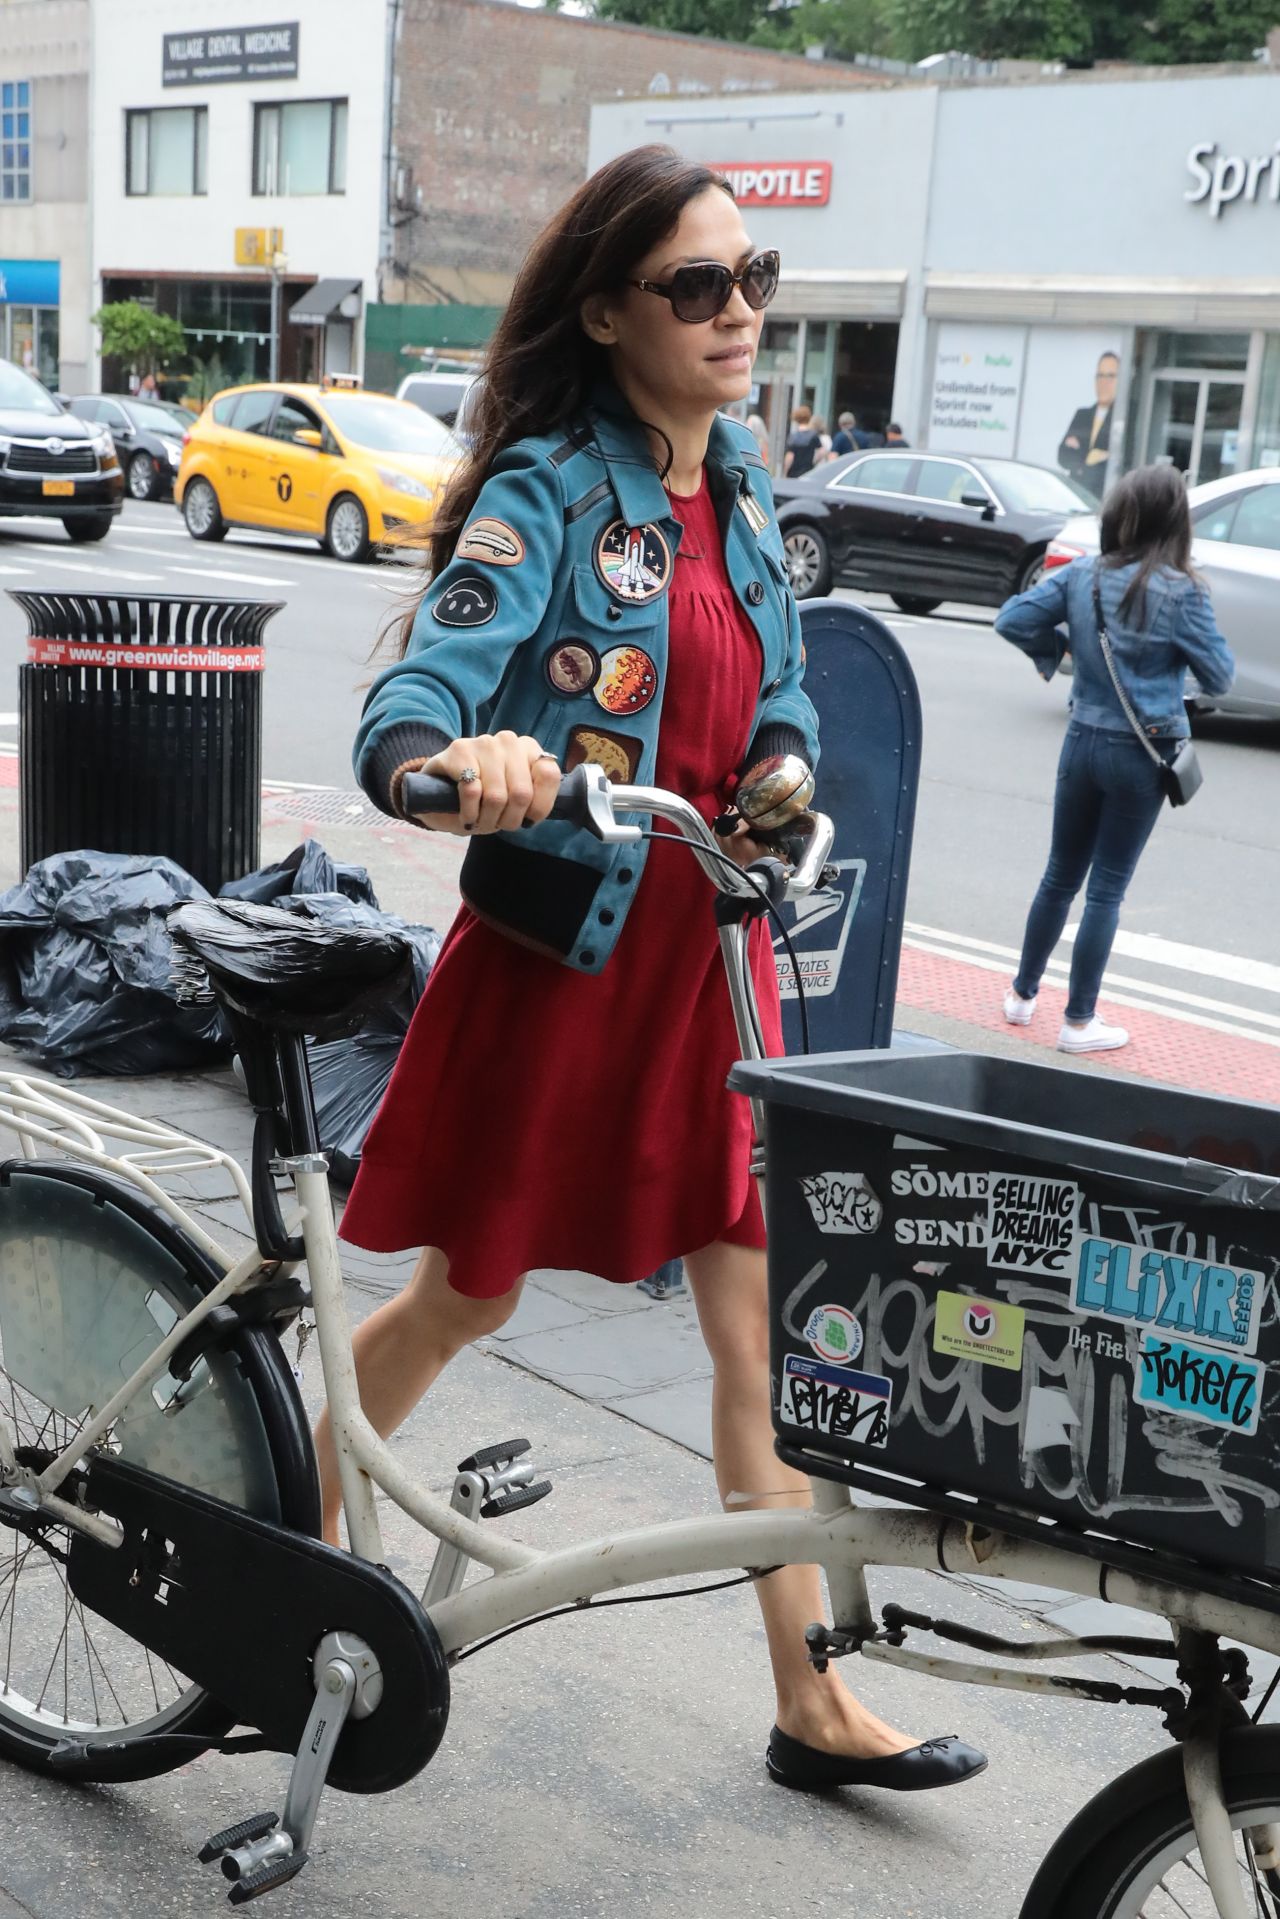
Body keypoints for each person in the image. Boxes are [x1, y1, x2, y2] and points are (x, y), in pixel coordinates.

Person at [322, 144, 984, 1799]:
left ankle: (814, 1695)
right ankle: (291, 1539)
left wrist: (783, 767)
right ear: (611, 309)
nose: (740, 312)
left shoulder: (745, 484)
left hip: (707, 971)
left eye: (757, 281)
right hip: (561, 971)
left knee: (763, 1333)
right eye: (701, 286)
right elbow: (408, 714)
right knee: (466, 1295)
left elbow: (787, 690)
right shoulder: (544, 491)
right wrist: (456, 766)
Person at [997, 464, 1233, 1053]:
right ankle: (1079, 1023)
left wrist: (1057, 652)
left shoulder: (1083, 576)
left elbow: (1012, 619)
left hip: (1082, 740)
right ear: (1175, 523)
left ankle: (1022, 997)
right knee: (1106, 889)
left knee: (1058, 876)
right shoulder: (1183, 591)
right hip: (1142, 752)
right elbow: (1220, 677)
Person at [1058, 351, 1120, 500]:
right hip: (1075, 493)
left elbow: (1119, 461)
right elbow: (1062, 455)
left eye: (1110, 376)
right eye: (1100, 376)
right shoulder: (1082, 415)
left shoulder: (1121, 418)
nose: (1104, 382)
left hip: (1102, 496)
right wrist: (1089, 462)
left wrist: (1081, 457)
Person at [782, 402, 823, 478]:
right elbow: (821, 452)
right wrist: (814, 462)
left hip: (793, 473)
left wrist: (785, 471)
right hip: (808, 471)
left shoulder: (793, 436)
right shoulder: (813, 435)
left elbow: (790, 456)